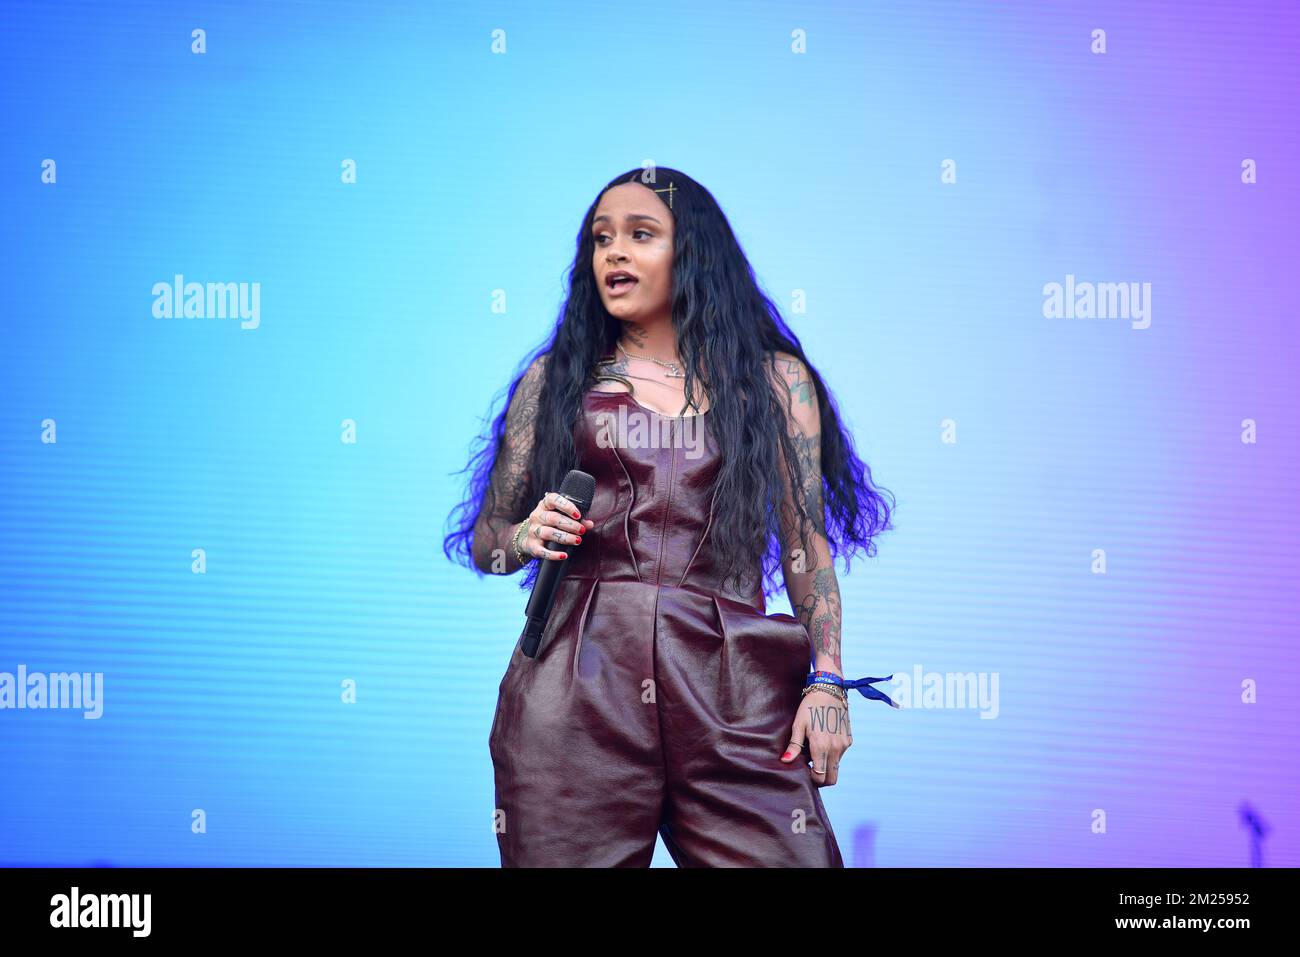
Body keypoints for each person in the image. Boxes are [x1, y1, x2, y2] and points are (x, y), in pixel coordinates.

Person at [444, 167, 897, 867]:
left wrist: (828, 681)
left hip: (732, 689)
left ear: (692, 253)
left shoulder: (776, 384)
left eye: (640, 234)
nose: (613, 253)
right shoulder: (554, 380)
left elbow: (807, 550)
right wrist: (524, 535)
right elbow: (487, 544)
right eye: (600, 239)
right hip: (575, 692)